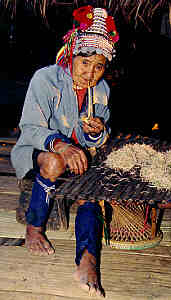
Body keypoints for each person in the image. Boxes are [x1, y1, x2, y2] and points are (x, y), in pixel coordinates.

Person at [11, 5, 119, 297]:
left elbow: (97, 137)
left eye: (99, 66)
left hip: (77, 156)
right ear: (71, 55)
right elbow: (30, 128)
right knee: (55, 162)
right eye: (85, 63)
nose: (91, 73)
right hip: (38, 152)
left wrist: (97, 133)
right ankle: (34, 228)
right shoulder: (45, 79)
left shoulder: (102, 90)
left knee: (91, 193)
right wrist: (61, 144)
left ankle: (87, 259)